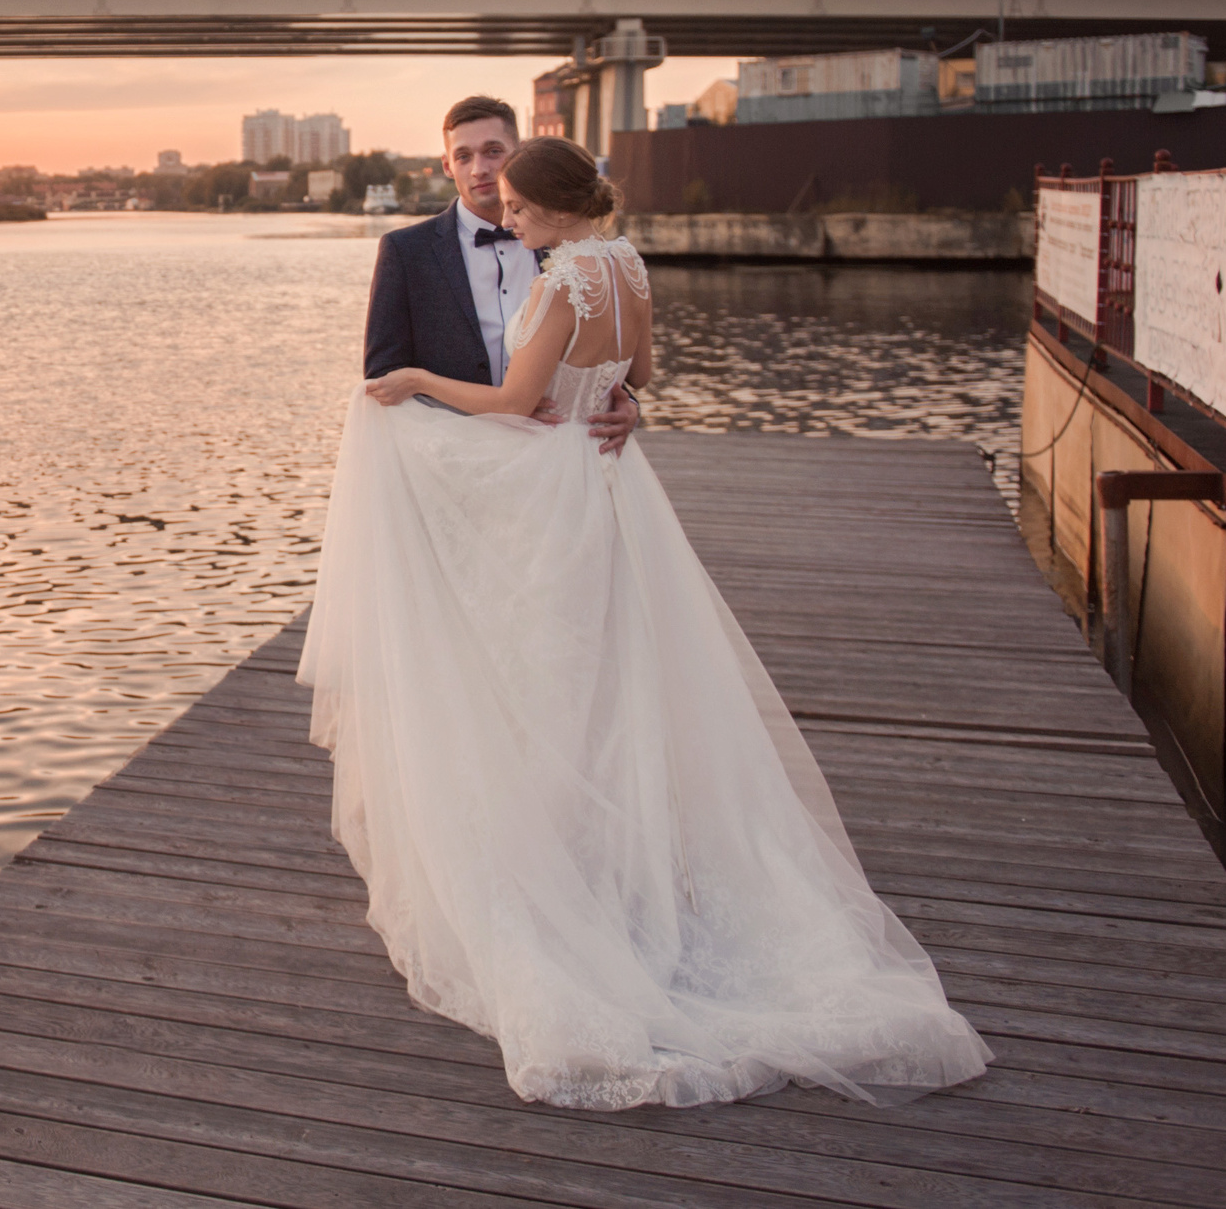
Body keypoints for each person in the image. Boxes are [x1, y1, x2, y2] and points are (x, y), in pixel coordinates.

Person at [300, 135, 991, 1110]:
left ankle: (573, 873)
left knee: (550, 677)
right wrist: (612, 394)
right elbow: (642, 372)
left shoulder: (565, 280)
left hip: (557, 499)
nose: (508, 215)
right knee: (615, 672)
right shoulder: (624, 265)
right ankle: (611, 860)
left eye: (517, 203)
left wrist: (412, 385)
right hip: (614, 486)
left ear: (544, 205)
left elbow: (512, 399)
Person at [364, 95, 637, 453]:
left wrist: (626, 403)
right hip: (452, 461)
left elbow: (601, 346)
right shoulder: (406, 251)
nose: (479, 168)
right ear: (447, 165)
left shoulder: (568, 243)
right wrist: (499, 414)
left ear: (520, 154)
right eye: (463, 156)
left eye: (493, 151)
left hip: (555, 455)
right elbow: (383, 379)